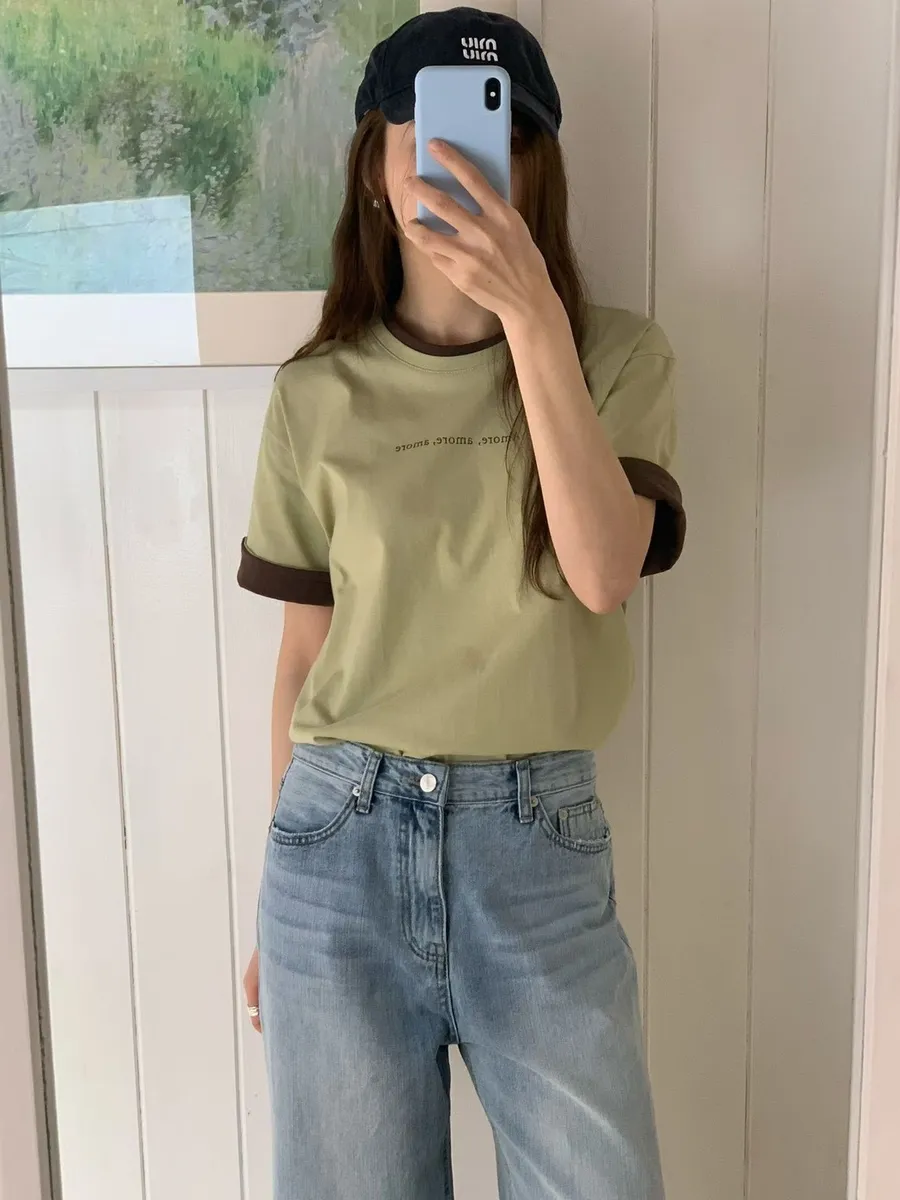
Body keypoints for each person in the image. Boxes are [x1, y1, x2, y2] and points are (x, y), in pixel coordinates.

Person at [238, 7, 685, 1198]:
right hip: (336, 844)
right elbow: (301, 661)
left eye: (501, 137)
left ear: (537, 171)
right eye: (424, 134)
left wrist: (532, 317)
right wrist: (274, 901)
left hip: (536, 849)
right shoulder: (315, 395)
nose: (465, 164)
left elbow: (603, 573)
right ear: (374, 171)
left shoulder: (620, 360)